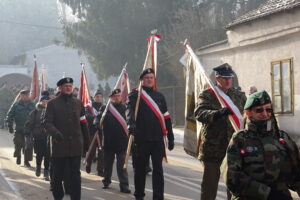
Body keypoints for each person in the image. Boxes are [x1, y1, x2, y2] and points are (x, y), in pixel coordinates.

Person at [224, 90, 300, 200]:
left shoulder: (283, 138)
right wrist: (267, 194)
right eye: (259, 110)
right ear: (249, 112)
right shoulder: (239, 139)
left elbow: (297, 174)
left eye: (268, 109)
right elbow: (231, 177)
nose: (265, 113)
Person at [194, 63, 246, 200]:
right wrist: (217, 113)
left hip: (234, 147)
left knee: (234, 186)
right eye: (224, 78)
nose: (228, 80)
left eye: (230, 77)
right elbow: (199, 113)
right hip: (213, 148)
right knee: (209, 187)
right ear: (217, 78)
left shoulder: (239, 96)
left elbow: (247, 115)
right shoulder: (208, 95)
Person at [127, 68, 175, 200]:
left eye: (151, 78)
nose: (149, 80)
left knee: (158, 170)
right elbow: (129, 111)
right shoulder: (135, 95)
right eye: (146, 78)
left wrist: (170, 137)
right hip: (141, 139)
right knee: (140, 169)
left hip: (157, 139)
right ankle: (139, 195)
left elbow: (166, 118)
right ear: (141, 80)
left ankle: (158, 197)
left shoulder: (160, 96)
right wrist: (131, 124)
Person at [43, 77, 90, 200]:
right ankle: (58, 197)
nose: (68, 88)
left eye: (70, 86)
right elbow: (47, 123)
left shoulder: (78, 103)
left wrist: (87, 143)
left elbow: (83, 123)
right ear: (60, 88)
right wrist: (55, 133)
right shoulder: (52, 104)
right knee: (57, 176)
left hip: (75, 146)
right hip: (59, 146)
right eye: (65, 86)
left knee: (75, 175)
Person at [95, 89, 130, 193]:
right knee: (107, 164)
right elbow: (97, 118)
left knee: (122, 166)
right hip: (109, 141)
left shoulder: (125, 108)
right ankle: (106, 181)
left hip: (122, 142)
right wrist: (97, 124)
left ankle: (124, 186)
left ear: (121, 97)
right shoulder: (105, 108)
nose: (117, 97)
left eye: (119, 96)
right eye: (114, 96)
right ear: (111, 97)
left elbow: (130, 120)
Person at [24, 93, 50, 180]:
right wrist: (28, 133)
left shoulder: (52, 111)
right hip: (38, 137)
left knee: (48, 155)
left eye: (47, 101)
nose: (45, 102)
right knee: (39, 154)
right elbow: (29, 123)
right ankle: (38, 167)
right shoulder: (35, 112)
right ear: (40, 102)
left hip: (49, 137)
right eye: (43, 101)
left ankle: (46, 172)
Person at [6, 89, 35, 167]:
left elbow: (37, 117)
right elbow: (10, 115)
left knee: (28, 145)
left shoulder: (32, 105)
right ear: (21, 96)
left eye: (28, 95)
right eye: (25, 95)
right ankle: (18, 156)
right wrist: (10, 126)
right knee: (18, 144)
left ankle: (26, 161)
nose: (26, 96)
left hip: (29, 129)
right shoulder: (16, 105)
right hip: (19, 128)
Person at [85, 90, 105, 176]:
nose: (99, 98)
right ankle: (88, 164)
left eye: (100, 97)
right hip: (92, 131)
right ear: (94, 97)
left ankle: (100, 170)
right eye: (97, 97)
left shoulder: (105, 107)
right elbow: (87, 115)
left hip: (102, 132)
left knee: (101, 151)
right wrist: (96, 118)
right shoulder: (89, 107)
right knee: (92, 151)